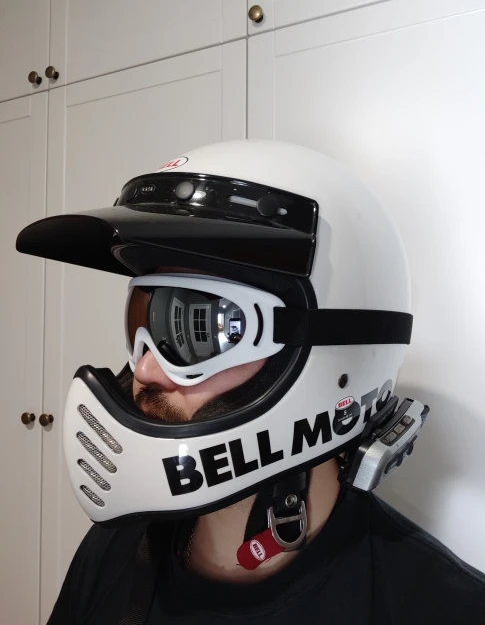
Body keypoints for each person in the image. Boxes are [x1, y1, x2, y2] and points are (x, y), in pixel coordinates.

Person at [17, 140, 485, 624]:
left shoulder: (444, 606)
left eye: (202, 327)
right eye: (145, 317)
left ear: (328, 357)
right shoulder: (112, 549)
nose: (146, 371)